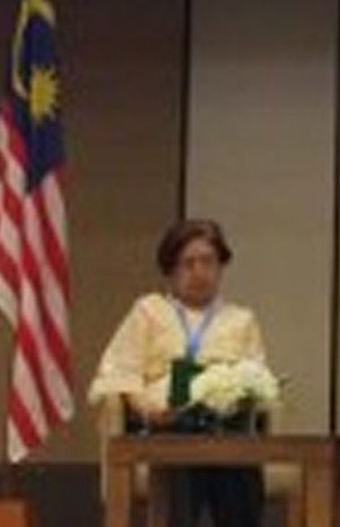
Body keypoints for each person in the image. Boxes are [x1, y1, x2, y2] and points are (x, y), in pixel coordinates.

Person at [91, 218, 269, 527]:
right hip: (164, 425)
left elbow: (257, 377)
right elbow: (120, 372)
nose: (199, 272)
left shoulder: (242, 320)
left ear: (221, 267)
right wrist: (147, 409)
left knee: (236, 456)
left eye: (208, 262)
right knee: (182, 451)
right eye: (188, 263)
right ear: (171, 270)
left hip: (223, 428)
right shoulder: (148, 311)